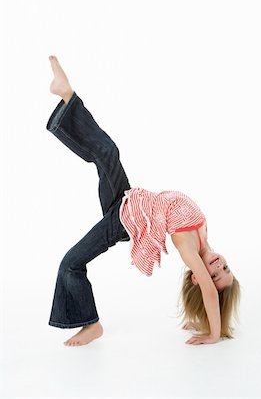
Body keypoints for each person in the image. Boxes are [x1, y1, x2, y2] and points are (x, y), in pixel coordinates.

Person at [47, 55, 241, 347]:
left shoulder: (188, 248)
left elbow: (211, 295)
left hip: (123, 222)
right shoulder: (203, 236)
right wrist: (200, 320)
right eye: (225, 269)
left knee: (70, 264)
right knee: (107, 152)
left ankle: (91, 325)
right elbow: (210, 293)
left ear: (199, 280)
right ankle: (67, 95)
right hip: (129, 200)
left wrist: (214, 334)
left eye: (213, 275)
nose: (218, 267)